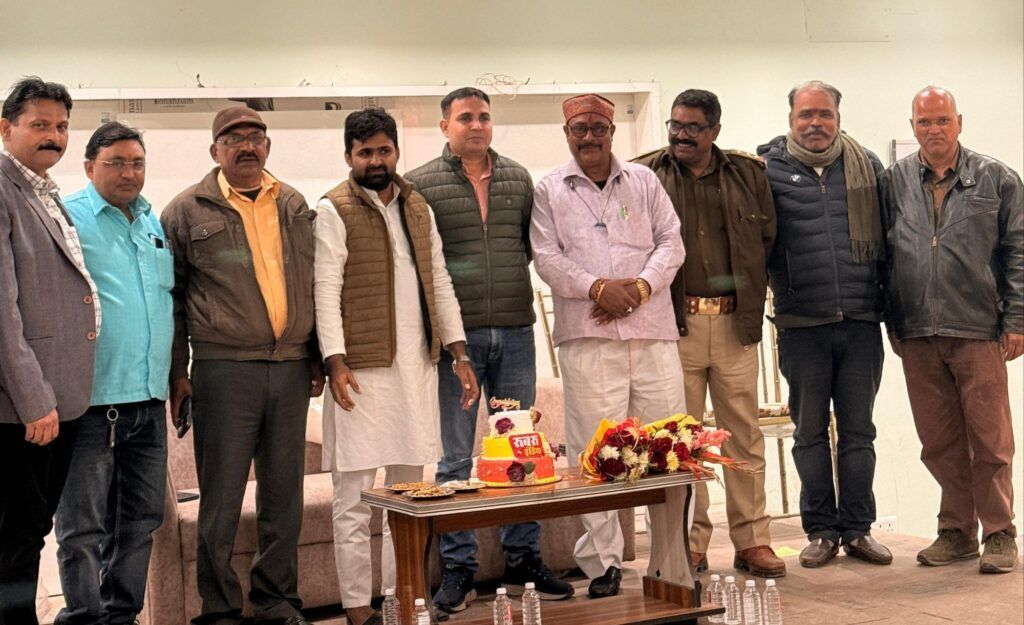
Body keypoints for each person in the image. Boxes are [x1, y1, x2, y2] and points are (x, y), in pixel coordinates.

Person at [405, 87, 573, 613]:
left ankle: (523, 558)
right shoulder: (420, 184)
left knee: (520, 448)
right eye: (464, 118)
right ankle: (459, 569)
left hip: (516, 332)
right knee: (455, 458)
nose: (475, 125)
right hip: (457, 341)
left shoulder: (518, 179)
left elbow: (530, 248)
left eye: (483, 117)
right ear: (444, 126)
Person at [314, 108, 479, 625]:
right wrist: (335, 361)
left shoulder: (417, 206)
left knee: (408, 499)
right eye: (364, 152)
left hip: (415, 370)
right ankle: (357, 609)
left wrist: (459, 352)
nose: (375, 160)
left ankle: (403, 601)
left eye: (383, 150)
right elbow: (325, 290)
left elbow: (440, 280)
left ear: (396, 152)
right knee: (353, 500)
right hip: (359, 375)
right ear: (349, 156)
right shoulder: (332, 209)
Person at [161, 106, 325, 625]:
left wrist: (317, 355)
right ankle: (219, 608)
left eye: (256, 137)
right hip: (223, 370)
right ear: (215, 151)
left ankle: (277, 599)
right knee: (222, 498)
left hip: (291, 368)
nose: (246, 146)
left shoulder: (293, 204)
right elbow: (171, 299)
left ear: (268, 147)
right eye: (234, 140)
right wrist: (178, 373)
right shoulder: (185, 211)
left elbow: (314, 283)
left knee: (284, 494)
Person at [531, 94, 685, 598]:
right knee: (594, 451)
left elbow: (672, 242)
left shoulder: (644, 181)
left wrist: (639, 287)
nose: (589, 137)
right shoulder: (550, 189)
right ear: (567, 134)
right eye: (579, 129)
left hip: (652, 330)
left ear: (612, 131)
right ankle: (603, 564)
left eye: (598, 128)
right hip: (588, 336)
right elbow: (545, 257)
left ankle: (672, 558)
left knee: (668, 445)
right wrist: (597, 288)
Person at [633, 89, 783, 578]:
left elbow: (767, 240)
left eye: (693, 127)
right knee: (681, 441)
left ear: (715, 130)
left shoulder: (748, 175)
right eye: (675, 125)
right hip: (675, 327)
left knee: (744, 436)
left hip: (736, 324)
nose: (681, 135)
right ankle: (688, 544)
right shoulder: (646, 174)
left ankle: (753, 541)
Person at [883, 86, 1022, 574]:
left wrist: (1017, 319)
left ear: (959, 122)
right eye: (924, 122)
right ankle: (957, 531)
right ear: (912, 127)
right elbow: (883, 254)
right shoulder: (893, 182)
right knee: (939, 441)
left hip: (979, 328)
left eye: (942, 120)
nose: (934, 130)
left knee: (990, 439)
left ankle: (999, 533)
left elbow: (1018, 253)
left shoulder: (998, 179)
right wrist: (892, 320)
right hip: (917, 330)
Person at [756, 80, 892, 568]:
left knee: (859, 433)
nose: (816, 123)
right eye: (806, 114)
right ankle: (820, 531)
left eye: (825, 114)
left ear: (838, 117)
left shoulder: (867, 166)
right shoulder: (766, 170)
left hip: (860, 321)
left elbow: (892, 240)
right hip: (801, 324)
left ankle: (857, 529)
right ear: (790, 119)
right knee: (809, 432)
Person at [55, 121, 172, 625]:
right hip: (90, 402)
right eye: (116, 163)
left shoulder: (151, 222)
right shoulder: (67, 218)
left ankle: (122, 616)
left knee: (141, 522)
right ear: (88, 167)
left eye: (137, 162)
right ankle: (84, 617)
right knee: (82, 528)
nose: (129, 173)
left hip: (149, 399)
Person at [0, 77, 98, 625]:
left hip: (58, 399)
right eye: (40, 125)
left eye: (61, 126)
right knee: (14, 541)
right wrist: (34, 399)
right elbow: (1, 312)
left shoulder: (42, 189)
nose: (54, 137)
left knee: (30, 532)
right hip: (21, 408)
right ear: (5, 127)